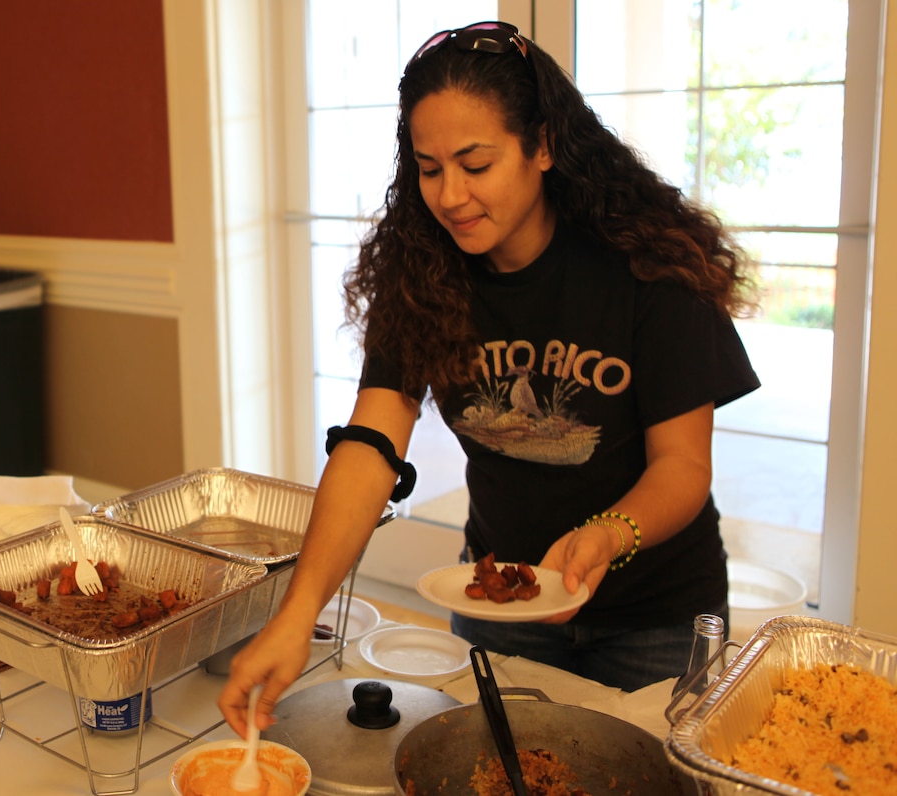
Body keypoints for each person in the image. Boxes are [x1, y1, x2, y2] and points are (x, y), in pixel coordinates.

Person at [218, 21, 760, 737]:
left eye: (475, 164)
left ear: (542, 146)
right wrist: (298, 611)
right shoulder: (422, 270)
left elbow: (684, 467)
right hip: (504, 598)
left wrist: (606, 533)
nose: (449, 196)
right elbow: (371, 445)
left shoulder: (646, 266)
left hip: (653, 615)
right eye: (429, 166)